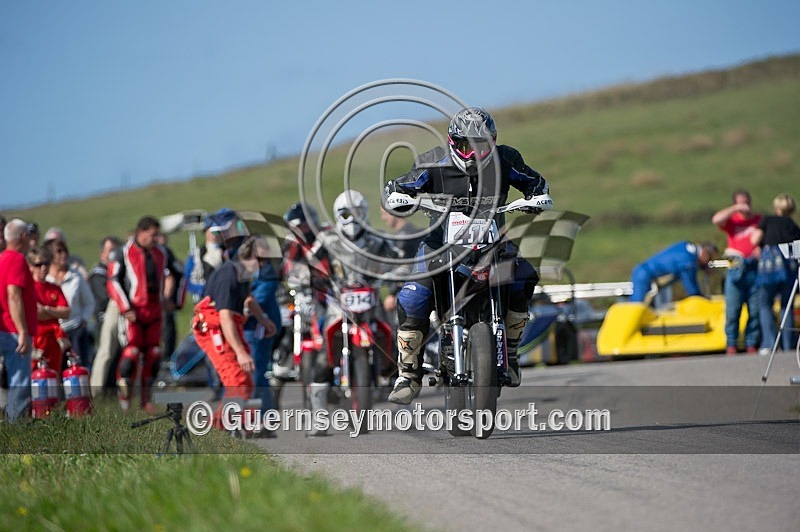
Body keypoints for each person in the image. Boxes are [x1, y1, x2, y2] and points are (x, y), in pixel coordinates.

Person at [383, 107, 549, 404]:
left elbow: (536, 183)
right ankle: (408, 373)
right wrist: (399, 198)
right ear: (452, 142)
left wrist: (536, 199)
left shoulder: (507, 159)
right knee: (411, 297)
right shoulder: (432, 162)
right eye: (464, 145)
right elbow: (397, 187)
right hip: (440, 245)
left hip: (493, 242)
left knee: (525, 276)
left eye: (481, 145)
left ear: (493, 141)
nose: (473, 152)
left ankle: (510, 350)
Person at [303, 190, 405, 434]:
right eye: (346, 213)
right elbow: (309, 263)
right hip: (339, 303)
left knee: (394, 341)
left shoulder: (376, 239)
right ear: (338, 215)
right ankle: (318, 417)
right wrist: (315, 280)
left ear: (365, 213)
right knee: (322, 358)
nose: (352, 218)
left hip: (371, 302)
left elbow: (399, 261)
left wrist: (393, 282)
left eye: (357, 212)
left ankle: (402, 396)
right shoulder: (329, 239)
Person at [192, 235, 277, 423]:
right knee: (236, 379)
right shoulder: (228, 276)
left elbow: (247, 298)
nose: (263, 265)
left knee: (246, 378)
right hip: (214, 329)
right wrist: (240, 352)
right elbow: (224, 316)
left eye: (266, 261)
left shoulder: (242, 273)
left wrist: (263, 318)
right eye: (260, 260)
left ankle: (235, 423)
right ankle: (218, 427)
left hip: (229, 327)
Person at [107, 216, 177, 411]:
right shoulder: (122, 252)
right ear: (141, 232)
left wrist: (173, 301)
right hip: (134, 312)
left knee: (154, 354)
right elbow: (113, 280)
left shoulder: (162, 252)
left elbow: (178, 272)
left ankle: (146, 400)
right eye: (153, 235)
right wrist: (126, 307)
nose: (156, 239)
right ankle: (125, 403)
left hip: (155, 311)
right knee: (131, 354)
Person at [712, 188, 763, 354]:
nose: (745, 206)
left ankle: (751, 343)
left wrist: (761, 248)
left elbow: (767, 236)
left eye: (746, 203)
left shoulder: (758, 220)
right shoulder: (732, 220)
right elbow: (716, 219)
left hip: (755, 268)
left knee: (754, 310)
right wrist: (735, 209)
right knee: (733, 310)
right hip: (736, 268)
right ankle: (731, 343)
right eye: (741, 203)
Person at [751, 193, 800, 353]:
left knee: (765, 304)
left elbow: (754, 239)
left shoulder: (767, 220)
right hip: (789, 268)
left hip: (769, 267)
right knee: (787, 306)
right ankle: (788, 345)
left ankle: (769, 344)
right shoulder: (793, 225)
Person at [0, 219, 37, 422]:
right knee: (19, 381)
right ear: (23, 237)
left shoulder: (2, 258)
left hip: (4, 326)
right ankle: (15, 427)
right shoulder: (16, 260)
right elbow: (13, 294)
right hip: (13, 330)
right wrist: (22, 330)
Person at [45, 237, 95, 369]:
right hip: (53, 333)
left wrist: (84, 319)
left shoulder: (75, 276)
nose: (63, 255)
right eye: (59, 252)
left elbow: (89, 302)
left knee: (77, 370)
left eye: (65, 251)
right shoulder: (45, 279)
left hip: (75, 331)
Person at [629, 241, 719, 304]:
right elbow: (692, 290)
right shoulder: (688, 262)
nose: (708, 263)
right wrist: (701, 300)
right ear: (704, 253)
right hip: (645, 277)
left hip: (642, 271)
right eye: (709, 259)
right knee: (636, 308)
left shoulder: (686, 246)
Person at [88, 236, 124, 395]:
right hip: (104, 321)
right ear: (102, 253)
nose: (113, 255)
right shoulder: (99, 273)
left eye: (115, 250)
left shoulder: (118, 270)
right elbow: (104, 297)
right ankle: (96, 391)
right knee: (105, 354)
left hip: (122, 321)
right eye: (110, 251)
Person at [27, 247, 71, 373]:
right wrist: (54, 312)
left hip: (54, 340)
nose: (43, 268)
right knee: (35, 375)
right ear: (31, 266)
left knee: (53, 375)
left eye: (46, 264)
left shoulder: (54, 288)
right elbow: (36, 313)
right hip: (36, 340)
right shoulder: (28, 288)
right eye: (38, 264)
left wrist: (46, 309)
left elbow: (66, 312)